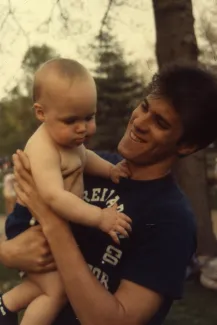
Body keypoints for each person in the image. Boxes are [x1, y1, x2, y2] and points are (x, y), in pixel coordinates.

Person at [1, 61, 217, 325]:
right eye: (145, 107)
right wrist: (6, 253)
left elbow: (114, 321)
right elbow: (17, 231)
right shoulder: (84, 164)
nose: (139, 122)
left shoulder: (171, 219)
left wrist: (52, 221)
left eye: (160, 122)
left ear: (186, 145)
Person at [0, 58, 132, 325]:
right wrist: (99, 217)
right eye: (72, 120)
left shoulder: (70, 139)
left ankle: (5, 306)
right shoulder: (43, 148)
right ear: (40, 113)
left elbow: (87, 158)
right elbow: (52, 197)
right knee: (57, 290)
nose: (83, 128)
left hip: (52, 223)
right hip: (30, 224)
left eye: (89, 117)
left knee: (50, 286)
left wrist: (110, 171)